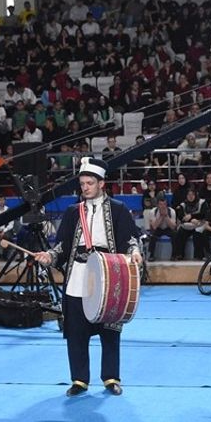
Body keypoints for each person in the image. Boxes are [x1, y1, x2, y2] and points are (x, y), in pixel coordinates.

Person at [33, 158, 142, 396]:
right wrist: (49, 257)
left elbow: (131, 239)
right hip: (78, 274)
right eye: (82, 184)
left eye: (90, 183)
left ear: (101, 183)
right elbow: (62, 246)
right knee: (76, 330)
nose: (85, 188)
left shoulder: (118, 209)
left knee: (110, 328)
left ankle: (111, 378)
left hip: (108, 274)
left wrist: (134, 253)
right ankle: (79, 380)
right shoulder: (73, 212)